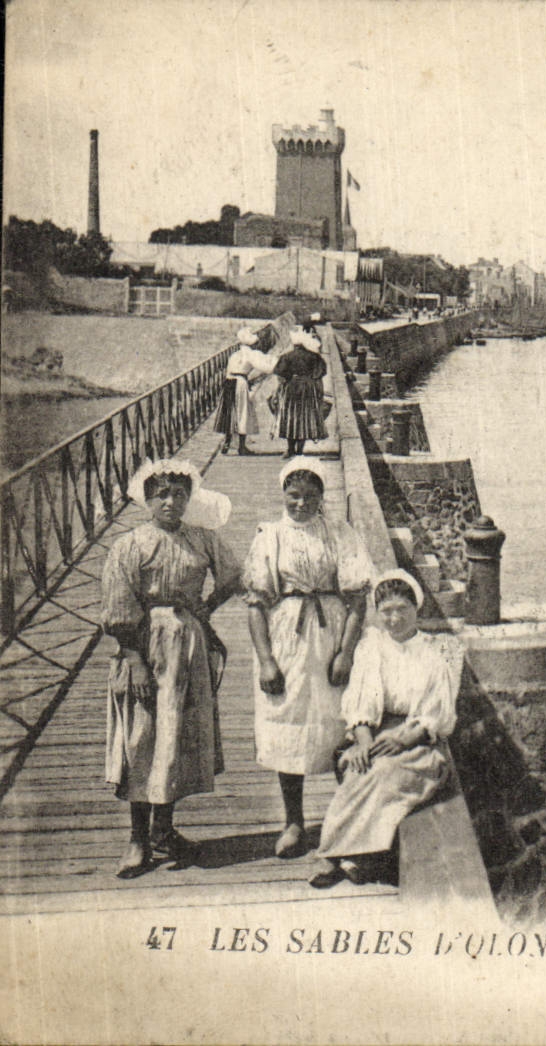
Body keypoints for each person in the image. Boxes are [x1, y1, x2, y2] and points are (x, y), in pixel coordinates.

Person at [100, 459, 240, 878]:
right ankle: (138, 839)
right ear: (147, 499)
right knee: (142, 737)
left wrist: (207, 607)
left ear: (188, 499)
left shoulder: (201, 538)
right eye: (161, 494)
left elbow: (234, 575)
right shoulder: (130, 545)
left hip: (189, 645)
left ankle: (165, 829)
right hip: (145, 645)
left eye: (178, 494)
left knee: (175, 735)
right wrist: (135, 660)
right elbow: (118, 606)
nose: (170, 501)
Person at [242, 458, 373, 857]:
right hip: (286, 637)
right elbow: (254, 605)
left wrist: (346, 653)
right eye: (293, 496)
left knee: (339, 725)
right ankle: (294, 822)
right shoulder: (270, 535)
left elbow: (358, 599)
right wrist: (266, 660)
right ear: (283, 495)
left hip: (330, 634)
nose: (301, 504)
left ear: (321, 498)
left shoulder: (339, 532)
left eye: (310, 497)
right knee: (288, 726)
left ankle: (347, 821)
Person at [310, 570, 456, 888]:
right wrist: (363, 740)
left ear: (416, 608)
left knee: (387, 771)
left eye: (402, 609)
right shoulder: (371, 647)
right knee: (357, 765)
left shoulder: (438, 650)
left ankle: (339, 856)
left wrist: (405, 737)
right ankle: (354, 857)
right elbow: (360, 702)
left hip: (420, 738)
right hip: (376, 731)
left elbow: (439, 713)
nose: (394, 619)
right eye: (386, 611)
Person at [214, 326, 275, 455]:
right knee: (242, 413)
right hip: (240, 383)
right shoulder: (251, 354)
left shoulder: (234, 354)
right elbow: (266, 368)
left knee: (230, 412)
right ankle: (242, 447)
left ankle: (226, 443)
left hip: (229, 381)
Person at [271, 329, 329, 458]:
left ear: (294, 344)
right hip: (308, 387)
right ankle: (300, 450)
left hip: (292, 386)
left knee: (291, 416)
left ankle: (290, 449)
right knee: (305, 416)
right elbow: (321, 372)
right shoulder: (314, 356)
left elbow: (280, 373)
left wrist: (283, 384)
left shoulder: (287, 356)